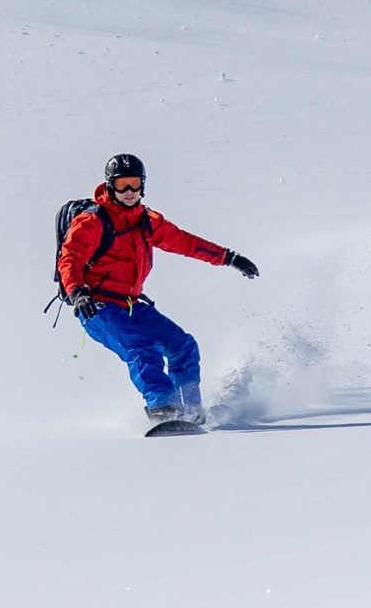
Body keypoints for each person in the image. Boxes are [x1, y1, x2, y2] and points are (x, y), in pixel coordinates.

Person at [59, 153, 259, 434]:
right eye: (122, 185)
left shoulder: (146, 220)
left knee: (183, 346)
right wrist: (78, 292)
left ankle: (191, 412)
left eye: (134, 183)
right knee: (142, 349)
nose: (129, 191)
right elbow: (70, 258)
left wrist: (228, 257)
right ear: (110, 186)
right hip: (97, 307)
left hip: (130, 304)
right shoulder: (93, 221)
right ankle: (163, 409)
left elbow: (185, 242)